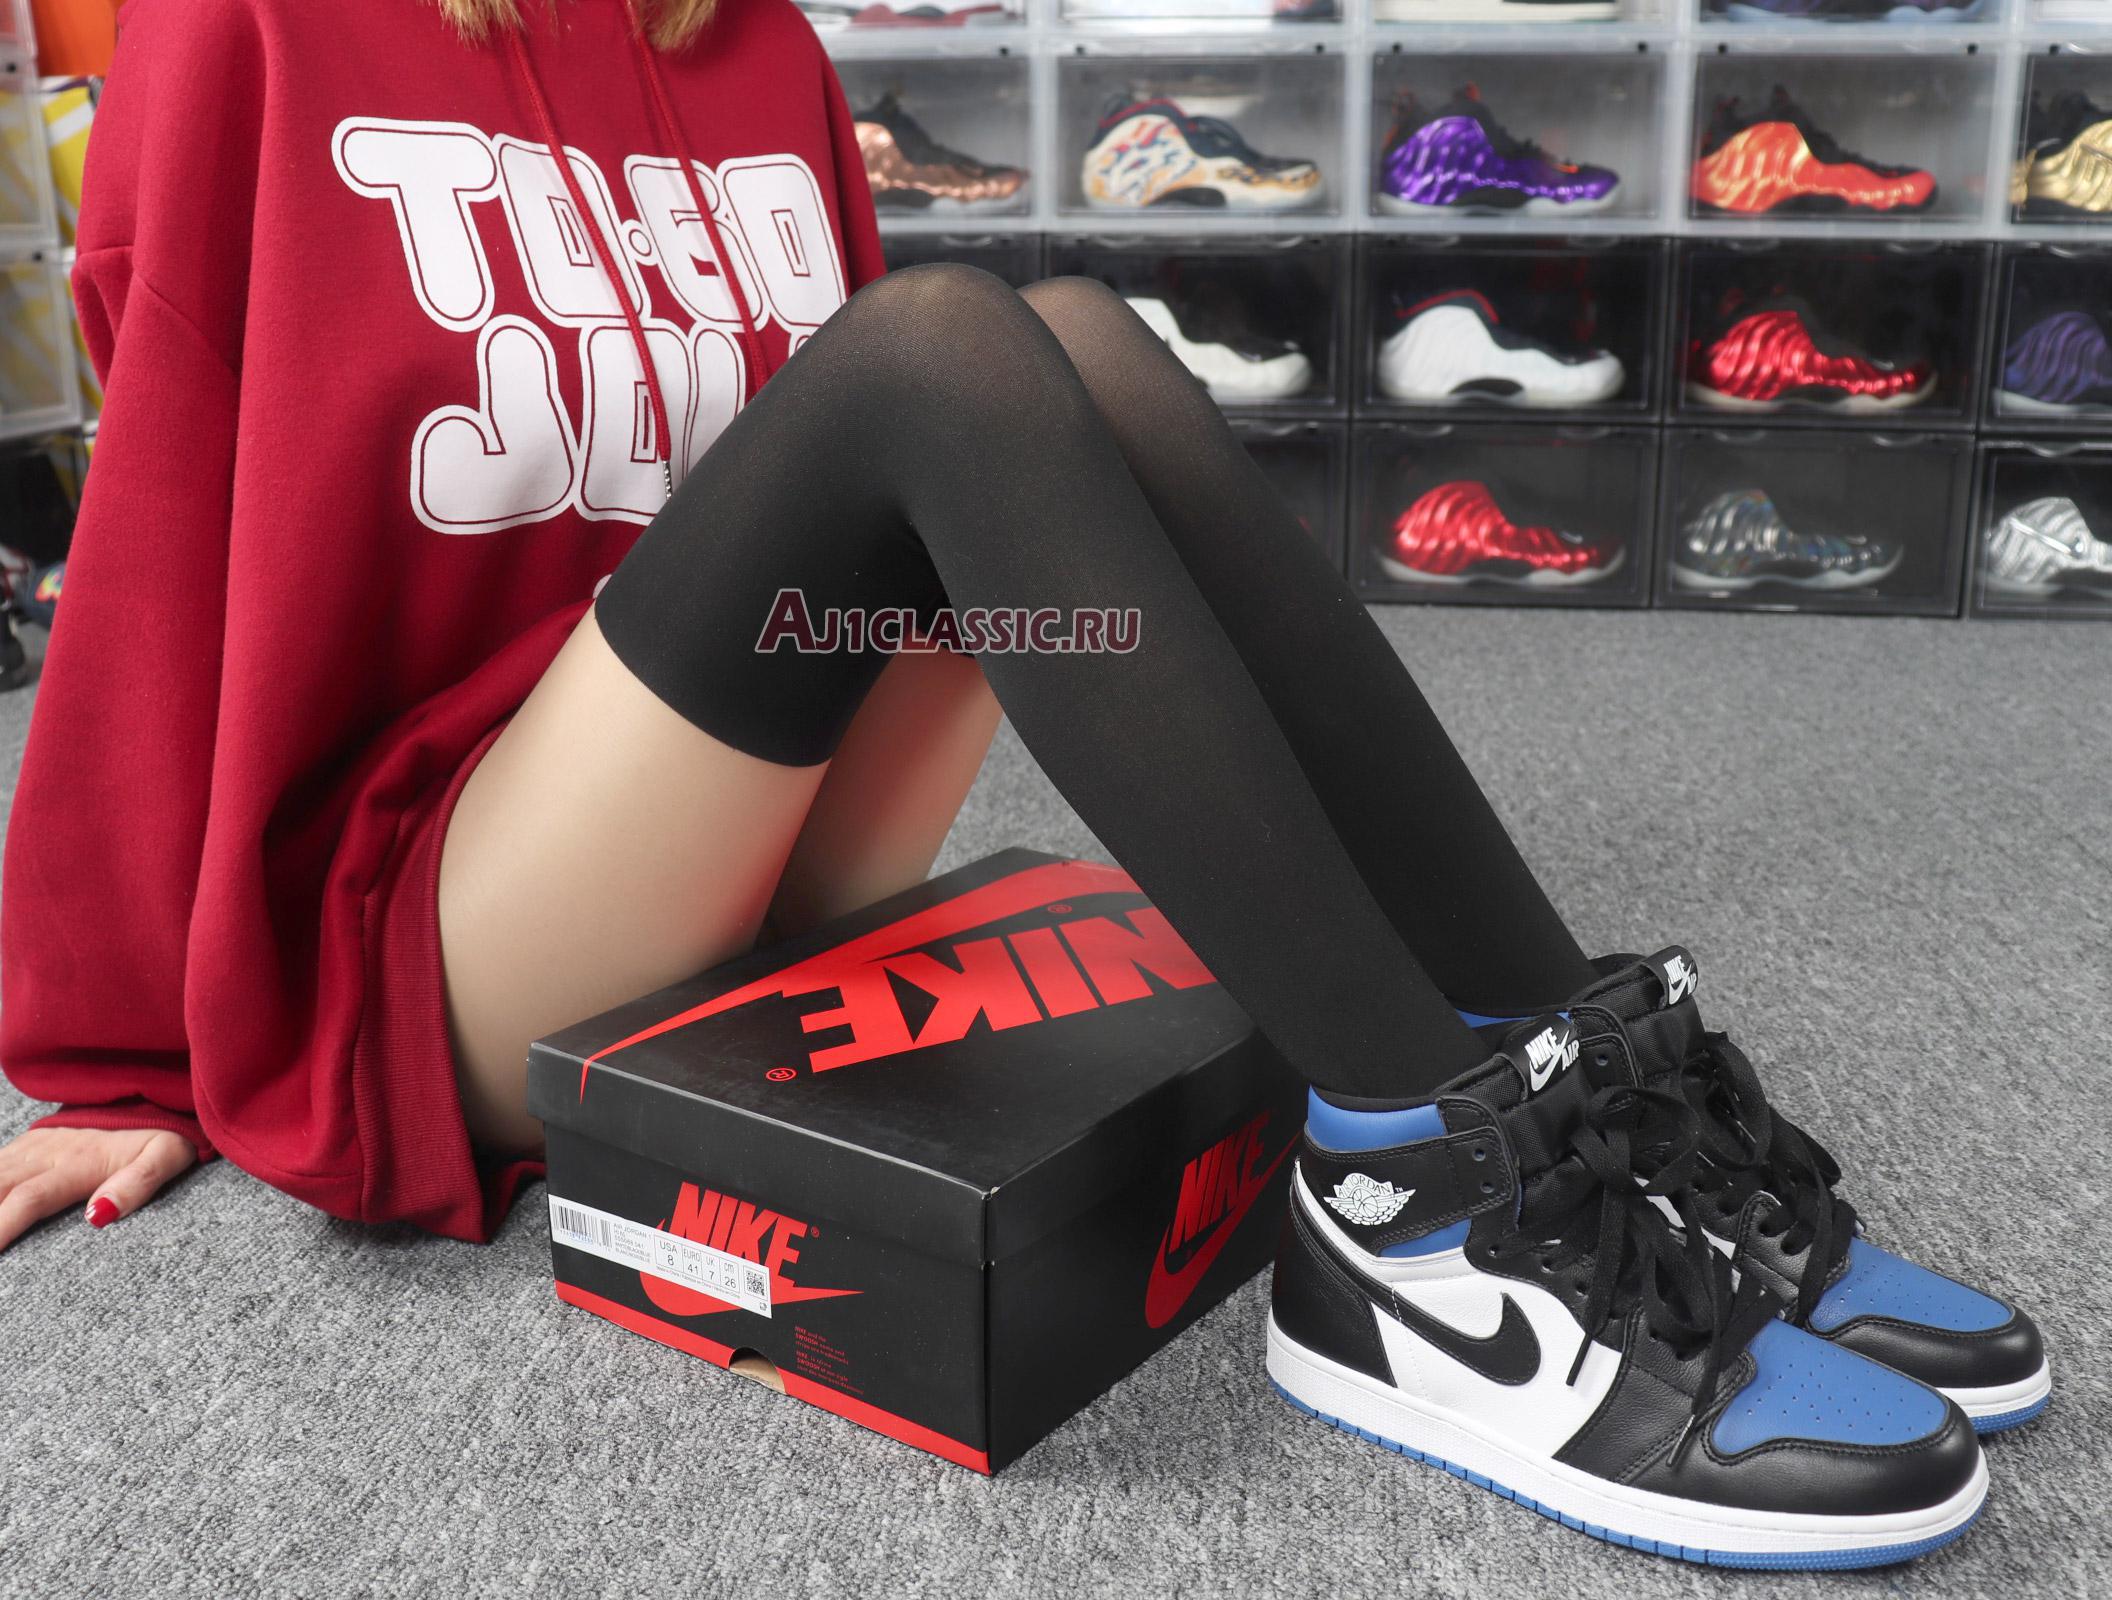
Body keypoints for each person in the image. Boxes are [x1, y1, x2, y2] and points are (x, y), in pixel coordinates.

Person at [0, 0, 2043, 1568]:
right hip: (446, 901)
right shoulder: (245, 23)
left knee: (1075, 337)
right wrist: (114, 1043)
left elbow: (840, 521)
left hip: (749, 803)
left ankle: (1574, 1075)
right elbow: (162, 529)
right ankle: (1419, 1212)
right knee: (936, 358)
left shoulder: (756, 48)